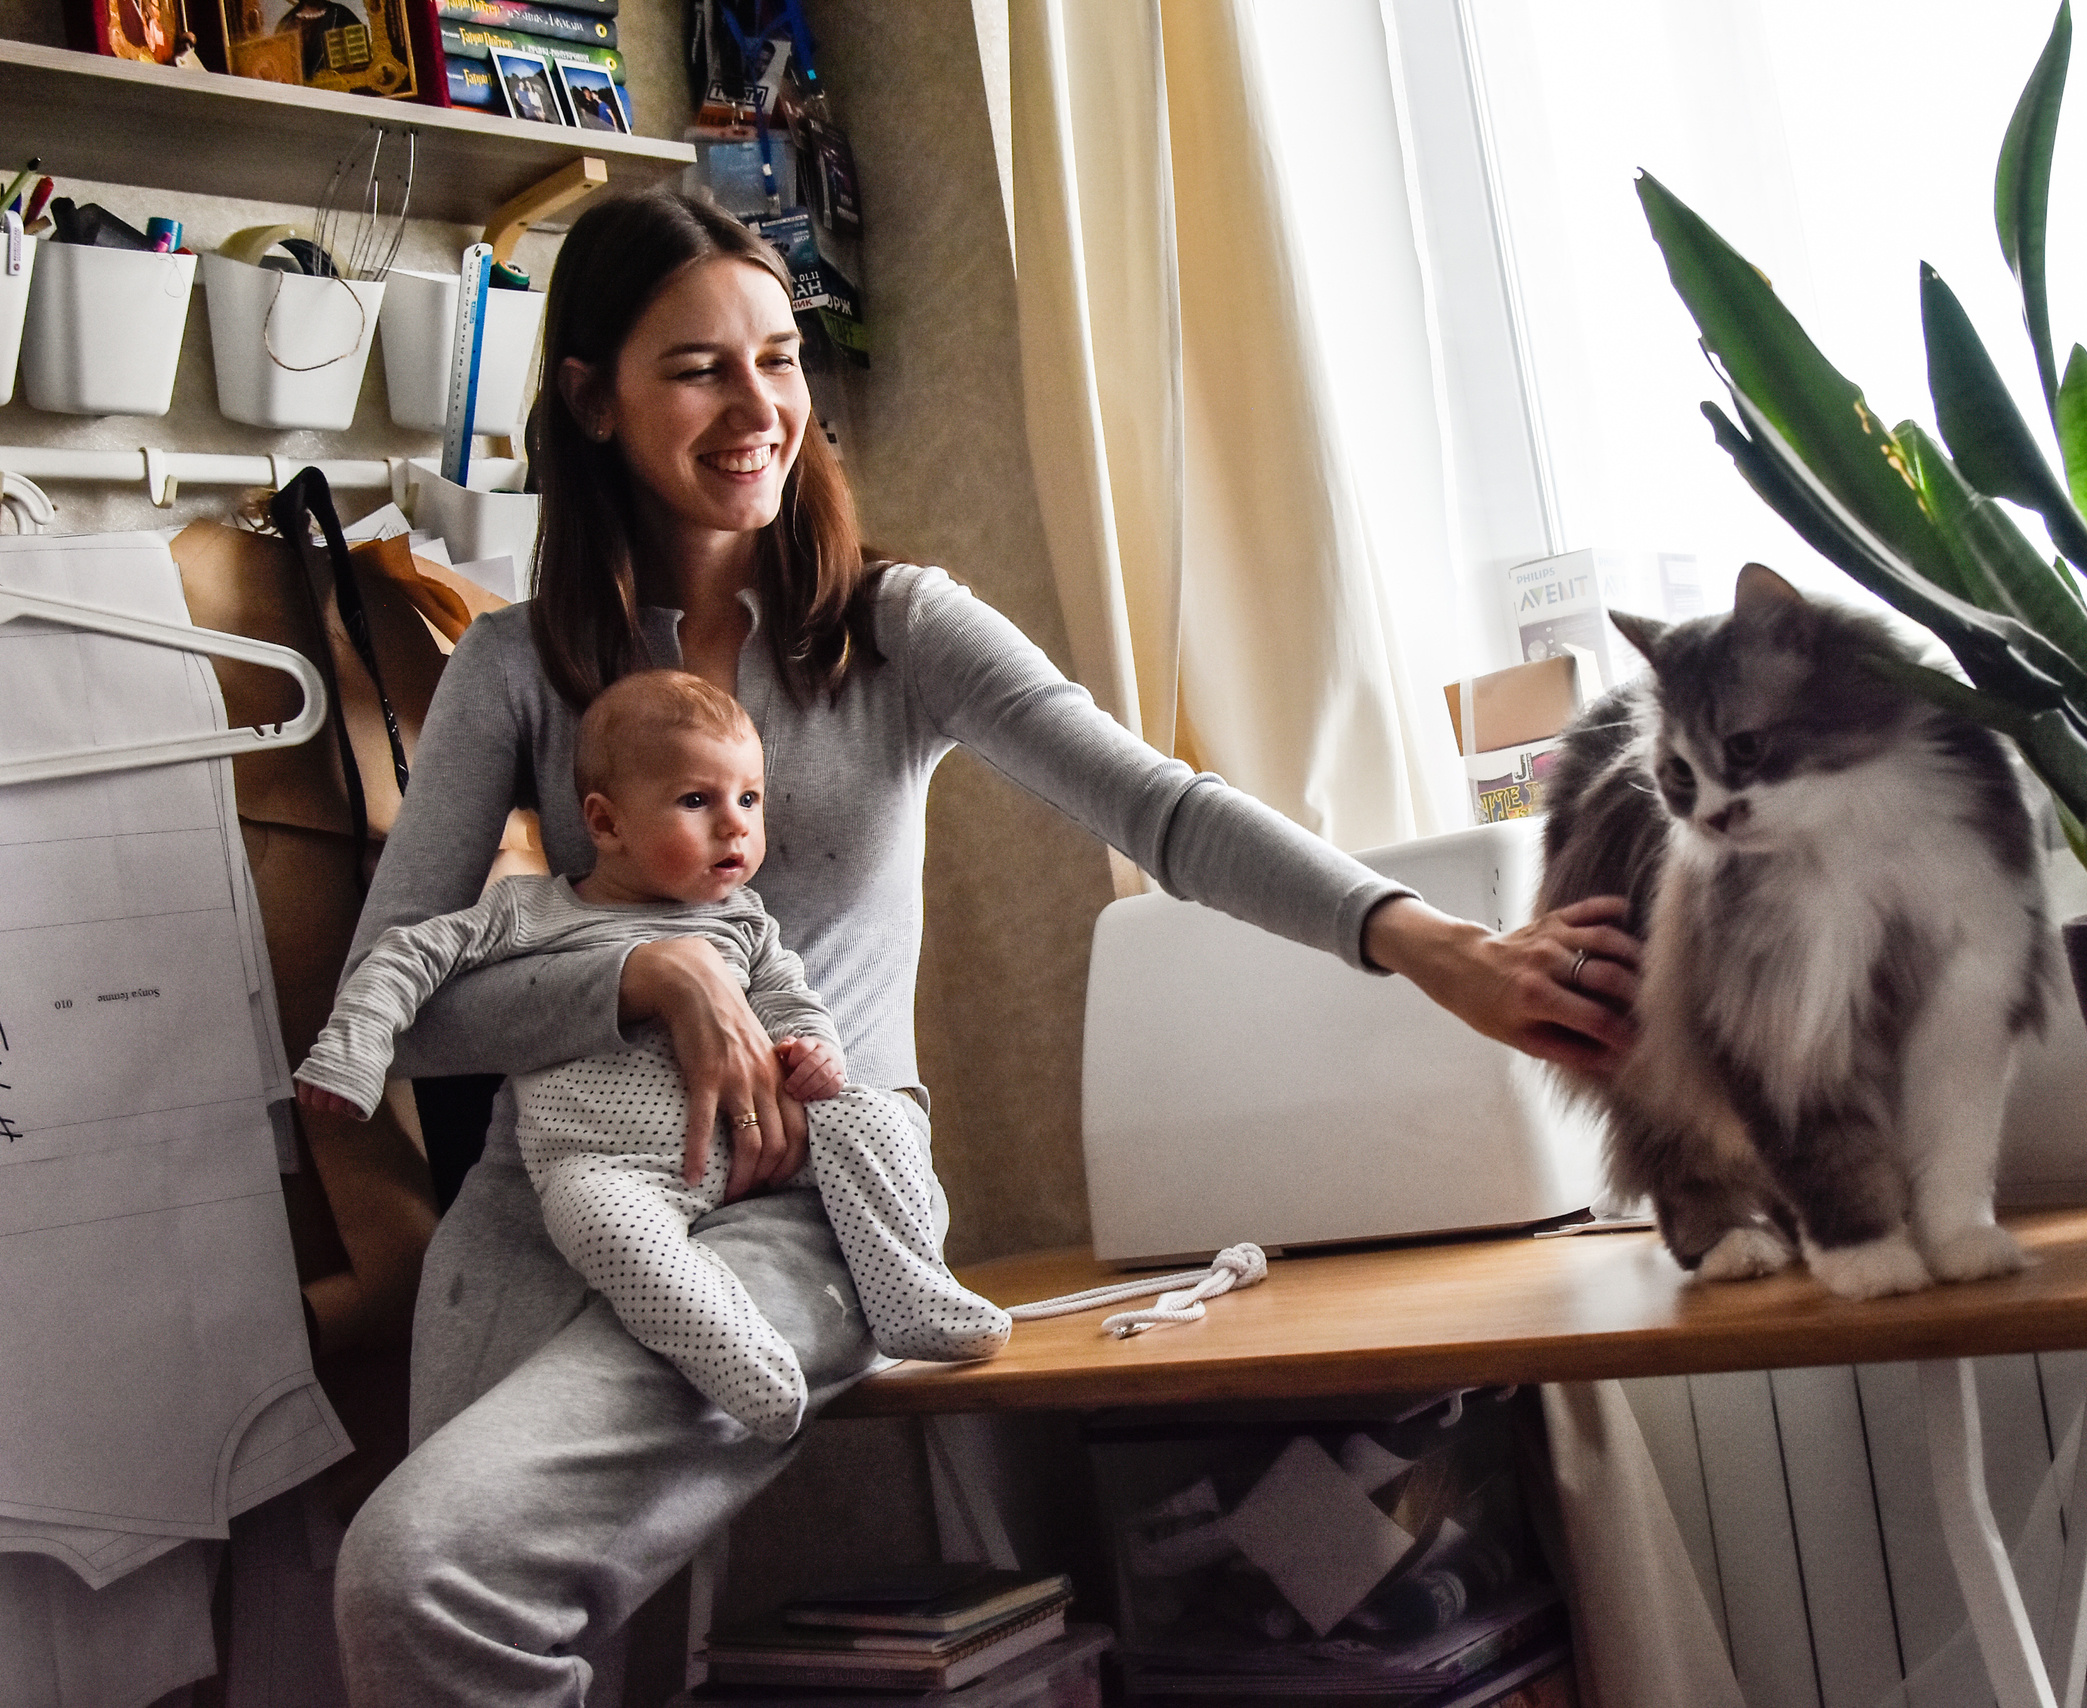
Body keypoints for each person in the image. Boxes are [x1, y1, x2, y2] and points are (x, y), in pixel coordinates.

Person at [331, 187, 1641, 1707]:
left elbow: (1162, 806)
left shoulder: (891, 631)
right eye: (697, 368)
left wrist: (1434, 947)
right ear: (590, 400)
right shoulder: (513, 667)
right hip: (548, 1202)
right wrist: (646, 973)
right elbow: (402, 1009)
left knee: (420, 1574)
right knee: (437, 1629)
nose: (757, 405)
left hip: (799, 1203)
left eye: (778, 358)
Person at [295, 671, 1011, 1443]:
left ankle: (912, 1292)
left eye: (750, 799)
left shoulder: (745, 923)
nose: (735, 827)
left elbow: (793, 999)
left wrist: (816, 1055)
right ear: (605, 823)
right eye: (697, 801)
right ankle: (742, 1363)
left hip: (757, 1148)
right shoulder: (528, 912)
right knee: (593, 1223)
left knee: (874, 1114)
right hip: (612, 1167)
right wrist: (351, 1054)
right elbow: (406, 956)